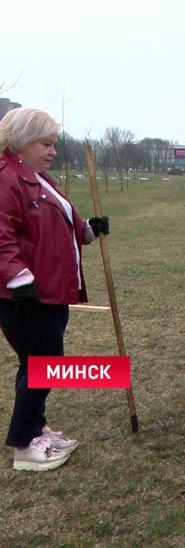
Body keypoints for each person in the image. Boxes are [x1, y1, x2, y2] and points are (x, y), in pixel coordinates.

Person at [0, 108, 110, 471]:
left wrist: (89, 229)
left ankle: (35, 426)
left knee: (37, 363)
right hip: (24, 295)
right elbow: (2, 237)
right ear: (22, 141)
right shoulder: (7, 178)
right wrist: (18, 277)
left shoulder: (39, 178)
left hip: (52, 290)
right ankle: (23, 443)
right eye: (46, 143)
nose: (52, 151)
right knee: (44, 363)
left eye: (54, 144)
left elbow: (66, 225)